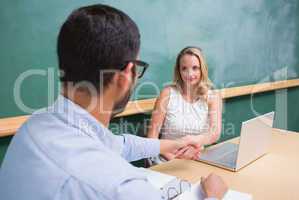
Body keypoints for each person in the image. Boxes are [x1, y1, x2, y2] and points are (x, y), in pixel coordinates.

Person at [0, 4, 227, 200]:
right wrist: (214, 195)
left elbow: (121, 145)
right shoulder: (122, 188)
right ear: (126, 74)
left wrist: (172, 143)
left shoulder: (34, 125)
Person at [147, 47, 223, 164]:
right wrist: (175, 159)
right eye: (184, 68)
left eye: (195, 68)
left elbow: (214, 134)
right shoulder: (167, 94)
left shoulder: (213, 97)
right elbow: (152, 138)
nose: (189, 74)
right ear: (179, 71)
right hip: (167, 161)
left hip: (198, 159)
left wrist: (192, 141)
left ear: (202, 69)